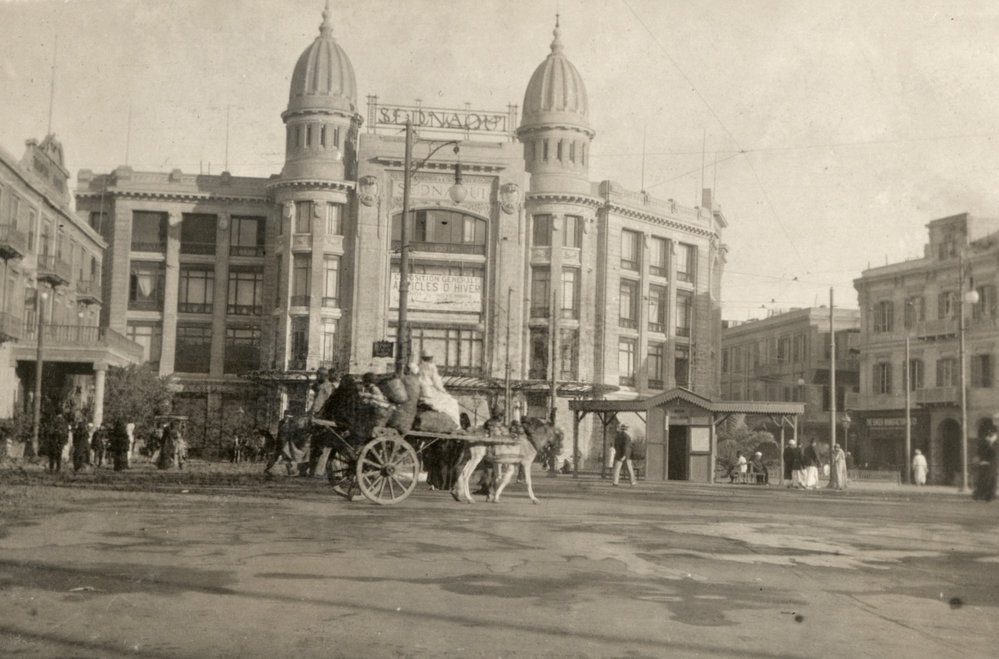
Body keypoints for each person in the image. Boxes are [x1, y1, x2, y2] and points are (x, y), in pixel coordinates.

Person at [416, 350, 461, 426]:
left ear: (422, 358)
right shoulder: (432, 367)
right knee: (453, 402)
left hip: (421, 392)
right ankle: (457, 424)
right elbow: (437, 383)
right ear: (431, 358)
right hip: (429, 393)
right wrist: (444, 391)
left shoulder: (419, 366)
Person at [972, 422, 997, 502]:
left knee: (991, 480)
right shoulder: (984, 442)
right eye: (989, 433)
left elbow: (995, 454)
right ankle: (979, 495)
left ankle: (988, 496)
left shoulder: (994, 443)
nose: (990, 434)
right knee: (983, 480)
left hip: (993, 464)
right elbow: (979, 452)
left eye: (992, 433)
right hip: (985, 463)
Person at [612, 422, 637, 486]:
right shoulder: (626, 436)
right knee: (628, 469)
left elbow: (619, 446)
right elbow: (625, 447)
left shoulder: (619, 436)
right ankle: (632, 482)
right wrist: (624, 455)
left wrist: (622, 454)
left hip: (621, 455)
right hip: (625, 455)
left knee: (618, 469)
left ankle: (616, 482)